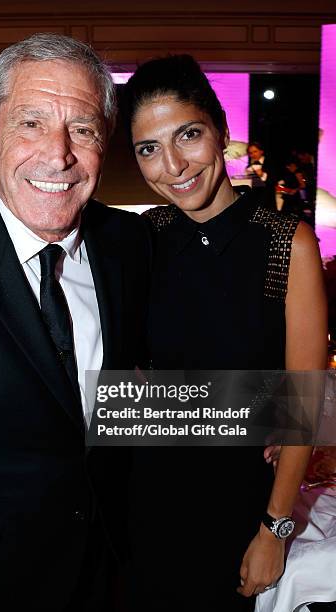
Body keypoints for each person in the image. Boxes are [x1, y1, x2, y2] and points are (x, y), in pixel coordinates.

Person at [0, 33, 151, 611]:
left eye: (82, 129)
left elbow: (131, 406)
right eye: (31, 122)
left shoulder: (130, 244)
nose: (58, 156)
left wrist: (289, 413)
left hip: (120, 572)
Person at [121, 55, 328, 611]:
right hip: (147, 494)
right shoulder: (141, 239)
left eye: (188, 134)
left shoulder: (288, 242)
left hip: (240, 503)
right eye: (148, 149)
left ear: (222, 133)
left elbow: (303, 399)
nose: (173, 165)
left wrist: (274, 529)